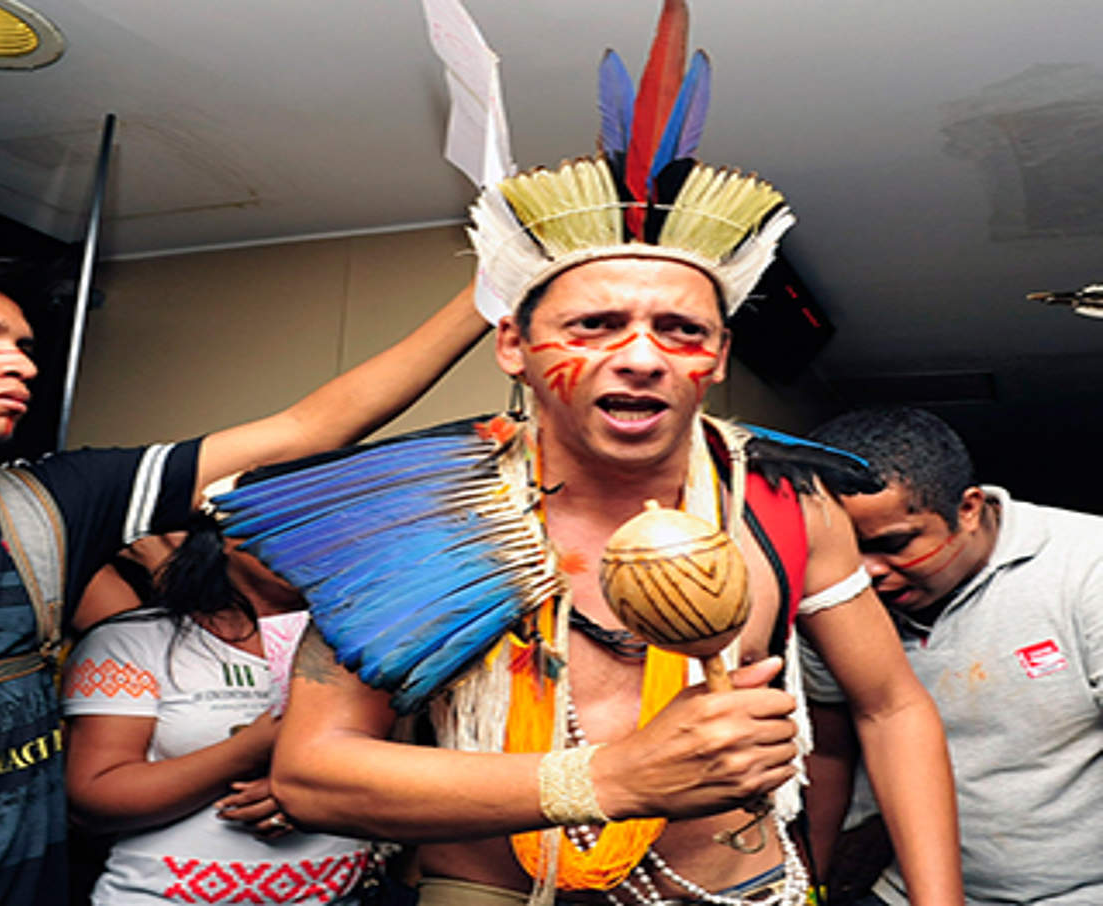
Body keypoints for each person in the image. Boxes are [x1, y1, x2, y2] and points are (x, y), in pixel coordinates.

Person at [213, 4, 962, 904]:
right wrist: (608, 780)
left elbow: (892, 706)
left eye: (680, 329)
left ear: (717, 359)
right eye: (596, 324)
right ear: (514, 348)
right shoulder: (416, 514)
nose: (641, 355)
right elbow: (312, 774)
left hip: (734, 887)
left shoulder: (783, 503)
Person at [0, 241, 488, 906]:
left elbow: (308, 428)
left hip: (22, 883)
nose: (19, 364)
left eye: (25, 346)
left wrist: (489, 294)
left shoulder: (55, 499)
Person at [805, 406, 1103, 906]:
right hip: (898, 889)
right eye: (845, 550)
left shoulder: (1087, 566)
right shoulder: (834, 591)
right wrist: (811, 878)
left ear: (967, 509)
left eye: (892, 544)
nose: (865, 573)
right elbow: (829, 751)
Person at [62, 513, 369, 904]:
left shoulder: (362, 645)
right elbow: (94, 800)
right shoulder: (136, 641)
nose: (306, 545)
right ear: (227, 535)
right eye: (285, 526)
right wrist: (252, 748)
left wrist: (302, 794)